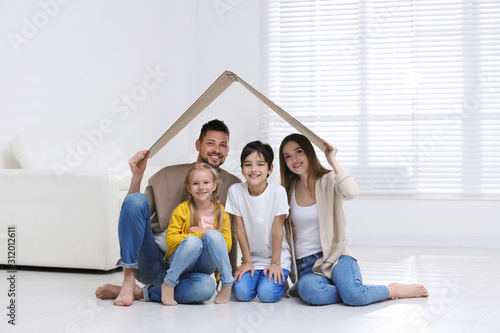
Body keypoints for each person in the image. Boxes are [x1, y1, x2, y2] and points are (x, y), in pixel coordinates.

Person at [95, 119, 240, 306]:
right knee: (135, 200)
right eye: (210, 143)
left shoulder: (233, 186)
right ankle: (128, 281)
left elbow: (230, 237)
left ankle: (141, 293)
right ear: (198, 145)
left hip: (194, 270)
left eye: (223, 145)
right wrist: (137, 177)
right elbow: (133, 210)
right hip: (154, 261)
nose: (216, 150)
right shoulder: (166, 175)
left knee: (205, 288)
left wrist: (228, 276)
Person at [279, 133, 429, 306]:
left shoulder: (327, 180)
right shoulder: (285, 191)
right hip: (306, 267)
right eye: (287, 156)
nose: (294, 159)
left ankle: (391, 290)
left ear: (309, 152)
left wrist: (332, 160)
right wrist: (282, 271)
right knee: (310, 292)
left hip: (336, 258)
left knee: (354, 297)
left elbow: (351, 192)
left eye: (298, 152)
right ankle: (350, 289)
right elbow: (279, 234)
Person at [145, 163, 233, 305]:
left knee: (206, 287)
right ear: (188, 188)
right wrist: (199, 234)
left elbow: (226, 245)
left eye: (206, 182)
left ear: (214, 185)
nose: (201, 187)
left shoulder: (221, 212)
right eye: (195, 183)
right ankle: (169, 283)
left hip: (204, 266)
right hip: (182, 262)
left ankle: (228, 282)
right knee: (194, 241)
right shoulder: (182, 209)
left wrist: (205, 233)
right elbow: (170, 240)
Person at [225, 141, 291, 303]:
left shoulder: (278, 192)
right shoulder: (235, 191)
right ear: (242, 168)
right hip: (253, 259)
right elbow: (239, 230)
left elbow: (277, 230)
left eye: (260, 164)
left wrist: (275, 263)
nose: (254, 169)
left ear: (270, 169)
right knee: (241, 294)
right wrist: (247, 261)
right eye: (248, 164)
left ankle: (282, 282)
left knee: (267, 295)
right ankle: (264, 278)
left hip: (277, 258)